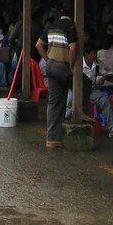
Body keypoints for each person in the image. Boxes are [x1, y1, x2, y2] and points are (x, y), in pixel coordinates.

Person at [36, 8, 77, 149]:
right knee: (85, 84)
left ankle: (52, 139)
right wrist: (71, 66)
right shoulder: (71, 26)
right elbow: (73, 47)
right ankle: (81, 114)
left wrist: (48, 60)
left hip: (51, 66)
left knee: (54, 102)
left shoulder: (51, 26)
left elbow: (38, 45)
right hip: (62, 66)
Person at [71, 48, 113, 141]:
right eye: (93, 53)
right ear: (86, 54)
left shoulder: (97, 65)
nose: (95, 56)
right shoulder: (78, 63)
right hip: (76, 91)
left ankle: (112, 128)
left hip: (91, 91)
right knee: (69, 103)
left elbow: (110, 74)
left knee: (105, 99)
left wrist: (104, 78)